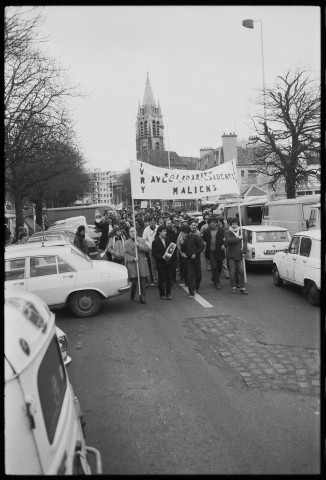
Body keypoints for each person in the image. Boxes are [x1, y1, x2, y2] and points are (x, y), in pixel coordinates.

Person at [123, 226, 150, 304]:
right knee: (134, 282)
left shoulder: (141, 240)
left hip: (141, 264)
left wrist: (138, 245)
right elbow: (124, 253)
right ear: (129, 233)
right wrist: (132, 259)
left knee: (142, 282)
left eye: (134, 231)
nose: (132, 233)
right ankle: (133, 294)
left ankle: (143, 297)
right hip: (132, 265)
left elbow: (147, 249)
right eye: (131, 231)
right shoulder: (126, 242)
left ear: (136, 232)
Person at [179, 224, 205, 299]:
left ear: (186, 232)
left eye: (182, 232)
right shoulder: (184, 239)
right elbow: (183, 249)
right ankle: (191, 292)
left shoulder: (195, 237)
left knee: (198, 275)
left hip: (195, 258)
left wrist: (196, 253)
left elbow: (202, 246)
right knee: (190, 275)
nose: (181, 234)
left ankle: (196, 287)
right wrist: (182, 252)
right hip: (188, 259)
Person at [224, 217, 248, 295]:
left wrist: (244, 251)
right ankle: (233, 286)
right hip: (231, 255)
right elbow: (228, 241)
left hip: (240, 254)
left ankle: (242, 287)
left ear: (238, 224)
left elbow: (245, 242)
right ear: (230, 225)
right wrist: (238, 238)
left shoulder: (242, 231)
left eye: (236, 224)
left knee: (241, 270)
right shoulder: (227, 232)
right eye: (233, 224)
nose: (234, 225)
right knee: (232, 272)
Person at [203, 216, 225, 289]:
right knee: (214, 267)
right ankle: (217, 283)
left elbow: (225, 240)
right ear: (209, 223)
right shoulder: (206, 231)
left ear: (216, 223)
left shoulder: (221, 230)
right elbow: (202, 239)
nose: (212, 224)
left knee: (219, 267)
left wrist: (224, 245)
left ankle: (214, 278)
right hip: (210, 251)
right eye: (211, 222)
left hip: (219, 251)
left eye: (214, 222)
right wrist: (204, 243)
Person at [152, 225, 173, 300]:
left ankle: (168, 293)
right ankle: (162, 294)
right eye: (164, 231)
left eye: (166, 231)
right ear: (159, 232)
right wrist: (162, 257)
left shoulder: (168, 240)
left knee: (169, 279)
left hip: (168, 262)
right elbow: (154, 253)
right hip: (161, 263)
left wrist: (169, 256)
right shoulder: (155, 241)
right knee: (161, 279)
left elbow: (171, 249)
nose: (165, 233)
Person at [142, 216, 158, 286]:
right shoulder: (146, 229)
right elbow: (144, 239)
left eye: (154, 220)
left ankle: (161, 279)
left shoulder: (158, 227)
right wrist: (149, 245)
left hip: (159, 249)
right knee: (153, 265)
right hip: (151, 249)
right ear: (149, 222)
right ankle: (155, 280)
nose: (152, 222)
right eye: (151, 221)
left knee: (160, 264)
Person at [165, 217, 178, 283]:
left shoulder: (173, 232)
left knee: (173, 265)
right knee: (167, 265)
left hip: (172, 249)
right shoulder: (163, 232)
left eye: (170, 223)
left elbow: (175, 241)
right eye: (168, 223)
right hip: (165, 250)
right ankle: (168, 279)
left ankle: (174, 278)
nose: (169, 225)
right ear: (165, 224)